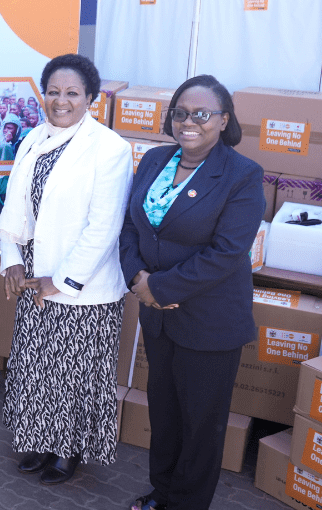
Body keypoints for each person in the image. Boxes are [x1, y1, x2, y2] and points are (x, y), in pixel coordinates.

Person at [120, 75, 264, 510]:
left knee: (200, 425)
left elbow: (226, 253)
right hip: (160, 318)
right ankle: (162, 494)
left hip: (210, 323)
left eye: (201, 114)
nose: (189, 122)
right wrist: (136, 279)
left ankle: (185, 505)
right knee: (164, 414)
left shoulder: (242, 175)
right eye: (181, 112)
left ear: (223, 121)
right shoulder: (154, 160)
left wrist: (158, 287)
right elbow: (129, 226)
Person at [0, 54, 133, 486]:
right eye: (53, 91)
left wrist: (62, 280)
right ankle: (40, 440)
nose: (61, 101)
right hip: (34, 276)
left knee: (74, 373)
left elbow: (104, 226)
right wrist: (14, 262)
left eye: (72, 93)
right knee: (38, 366)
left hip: (82, 286)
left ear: (91, 98)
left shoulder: (109, 148)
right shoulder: (34, 138)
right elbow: (13, 211)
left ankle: (69, 450)